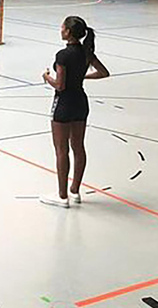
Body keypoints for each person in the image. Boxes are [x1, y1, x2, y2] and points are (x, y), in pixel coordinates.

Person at [40, 16, 110, 208]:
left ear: (68, 32)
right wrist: (82, 77)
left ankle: (62, 196)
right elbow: (104, 72)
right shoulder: (86, 52)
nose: (60, 29)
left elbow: (60, 85)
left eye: (62, 27)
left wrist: (47, 77)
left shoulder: (62, 55)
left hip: (64, 104)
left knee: (61, 150)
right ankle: (75, 191)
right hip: (80, 102)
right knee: (78, 148)